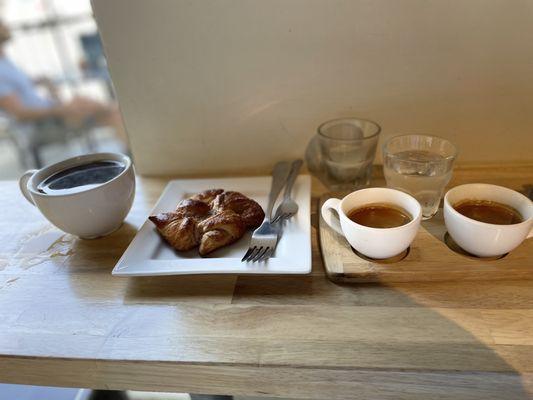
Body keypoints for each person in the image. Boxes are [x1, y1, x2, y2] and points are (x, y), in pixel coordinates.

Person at [0, 20, 127, 143]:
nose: (5, 25)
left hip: (51, 114)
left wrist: (43, 81)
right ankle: (136, 159)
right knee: (113, 115)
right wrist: (59, 110)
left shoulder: (5, 61)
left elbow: (18, 85)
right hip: (42, 125)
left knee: (109, 111)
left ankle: (133, 154)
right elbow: (19, 115)